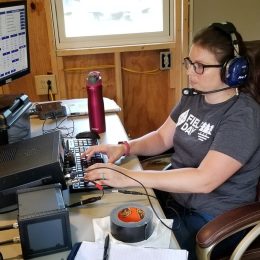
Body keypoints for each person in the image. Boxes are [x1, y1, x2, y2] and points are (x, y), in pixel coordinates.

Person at [82, 22, 260, 259]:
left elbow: (204, 180)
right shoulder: (194, 97)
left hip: (213, 220)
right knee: (110, 237)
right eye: (189, 63)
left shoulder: (243, 117)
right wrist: (124, 147)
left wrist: (127, 177)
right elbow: (161, 137)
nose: (189, 72)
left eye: (200, 67)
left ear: (232, 70)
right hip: (175, 202)